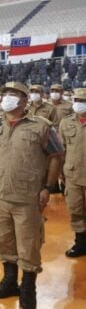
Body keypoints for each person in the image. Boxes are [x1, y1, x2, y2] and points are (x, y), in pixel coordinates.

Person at [0, 82, 63, 309]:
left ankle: (28, 288)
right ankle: (10, 281)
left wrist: (48, 186)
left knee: (28, 244)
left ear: (25, 100)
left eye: (13, 94)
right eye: (5, 94)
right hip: (0, 195)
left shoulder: (41, 126)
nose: (7, 97)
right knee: (3, 239)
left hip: (28, 197)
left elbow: (56, 155)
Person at [59, 88, 86, 258]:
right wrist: (61, 174)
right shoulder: (66, 122)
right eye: (77, 100)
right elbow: (61, 149)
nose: (79, 104)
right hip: (73, 175)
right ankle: (80, 243)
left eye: (83, 101)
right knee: (75, 210)